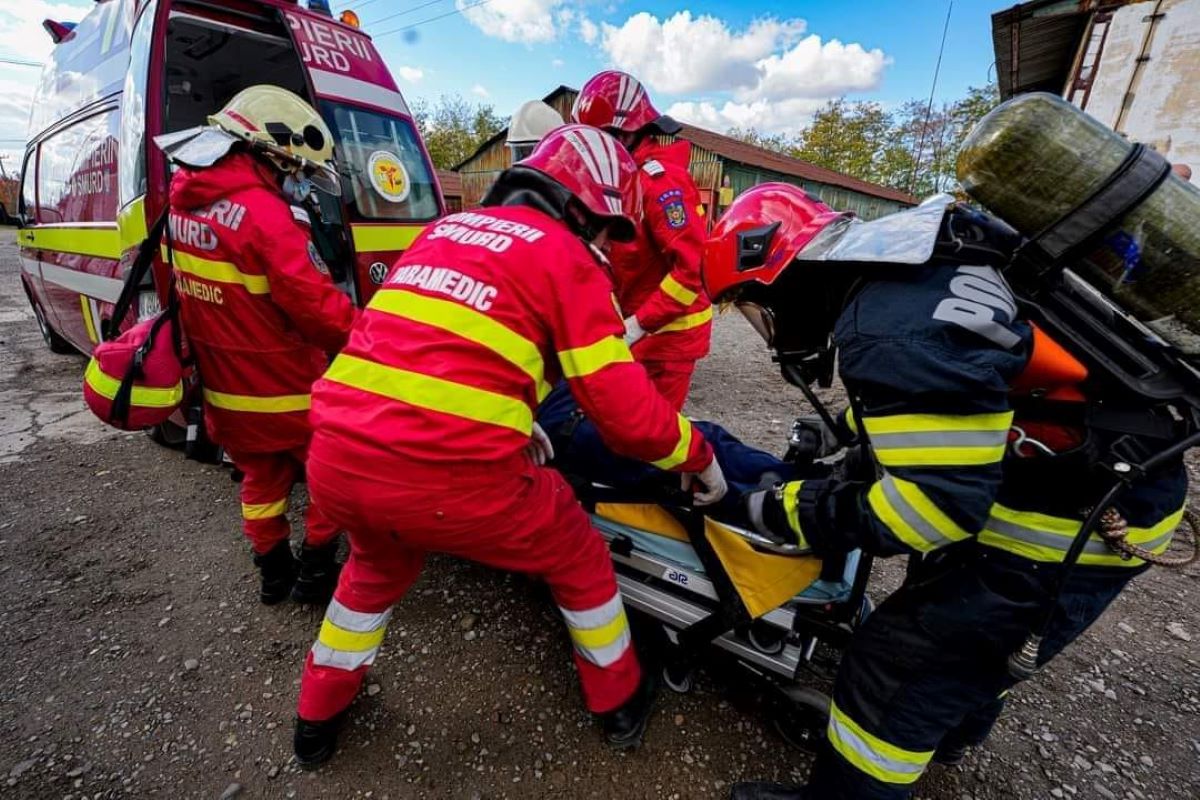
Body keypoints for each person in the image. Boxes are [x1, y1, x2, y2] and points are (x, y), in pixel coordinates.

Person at [699, 184, 1189, 800]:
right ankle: (949, 729)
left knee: (897, 669)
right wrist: (849, 444)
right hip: (1095, 484)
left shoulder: (886, 333)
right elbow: (946, 399)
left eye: (751, 308)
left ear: (782, 278)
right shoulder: (914, 272)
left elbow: (928, 515)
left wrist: (782, 510)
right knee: (963, 657)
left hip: (1063, 522)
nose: (766, 334)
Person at [291, 124, 728, 768]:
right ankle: (619, 700)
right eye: (608, 228)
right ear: (582, 208)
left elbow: (428, 350)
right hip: (453, 482)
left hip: (335, 458)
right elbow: (628, 417)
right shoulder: (569, 258)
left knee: (374, 570)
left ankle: (315, 718)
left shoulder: (439, 233)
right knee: (577, 554)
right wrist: (699, 455)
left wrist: (516, 416)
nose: (608, 244)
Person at [156, 85, 357, 606]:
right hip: (289, 392)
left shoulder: (181, 207)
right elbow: (315, 308)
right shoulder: (268, 218)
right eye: (294, 168)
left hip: (226, 391)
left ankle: (273, 573)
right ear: (265, 152)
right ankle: (315, 573)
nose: (297, 181)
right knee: (334, 477)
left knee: (261, 483)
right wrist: (369, 336)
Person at [571, 70, 712, 410]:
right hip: (637, 330)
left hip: (671, 337)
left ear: (628, 132)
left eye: (602, 138)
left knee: (654, 436)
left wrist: (639, 324)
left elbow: (691, 270)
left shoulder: (662, 183)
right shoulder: (620, 177)